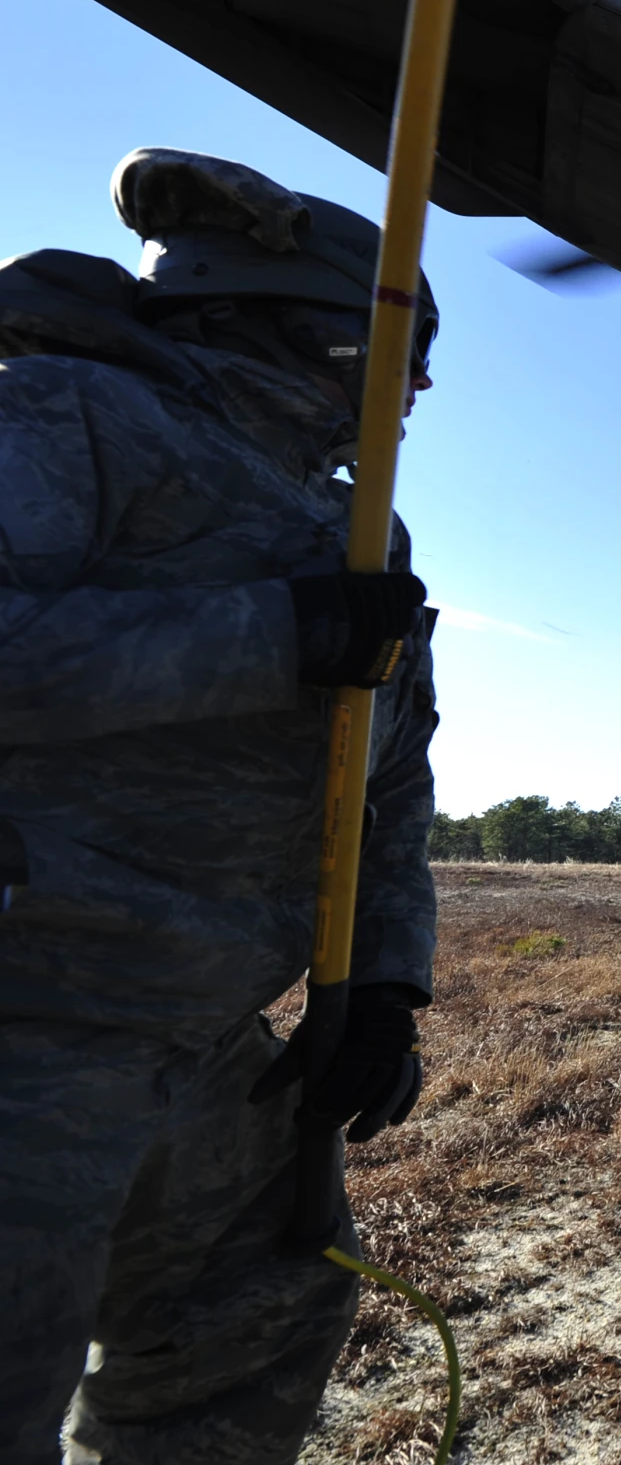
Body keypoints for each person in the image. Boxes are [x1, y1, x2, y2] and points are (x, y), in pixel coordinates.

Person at [0, 148, 441, 1462]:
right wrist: (273, 634)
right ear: (307, 326)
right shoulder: (64, 416)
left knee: (258, 1320)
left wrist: (381, 980)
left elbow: (395, 781)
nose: (416, 394)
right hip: (32, 1025)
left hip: (209, 1045)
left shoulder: (360, 533)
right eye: (400, 356)